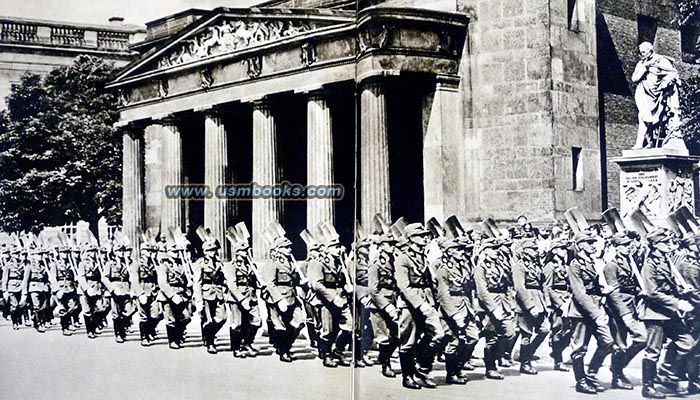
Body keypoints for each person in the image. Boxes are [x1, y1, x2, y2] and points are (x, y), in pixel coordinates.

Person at [395, 223, 445, 389]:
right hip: (410, 305)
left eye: (426, 235)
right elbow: (404, 285)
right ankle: (407, 376)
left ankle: (421, 370)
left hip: (426, 302)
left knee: (438, 334)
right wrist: (419, 303)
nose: (425, 238)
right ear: (411, 238)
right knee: (408, 341)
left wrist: (434, 302)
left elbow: (430, 283)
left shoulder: (423, 256)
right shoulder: (403, 258)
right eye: (421, 235)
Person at [631, 41, 683, 149]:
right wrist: (644, 68)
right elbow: (634, 78)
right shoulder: (641, 63)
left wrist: (665, 82)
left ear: (650, 51)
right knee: (642, 116)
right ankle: (640, 143)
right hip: (643, 93)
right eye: (641, 53)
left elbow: (673, 73)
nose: (642, 55)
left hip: (656, 94)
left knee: (651, 119)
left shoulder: (660, 60)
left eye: (644, 52)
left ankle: (650, 142)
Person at [193, 237, 227, 354]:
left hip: (218, 293)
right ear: (205, 251)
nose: (213, 252)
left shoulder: (219, 263)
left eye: (214, 250)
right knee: (208, 320)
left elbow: (223, 279)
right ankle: (210, 343)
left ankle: (208, 334)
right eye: (210, 250)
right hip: (206, 293)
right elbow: (197, 282)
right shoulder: (200, 263)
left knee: (222, 318)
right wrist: (198, 300)